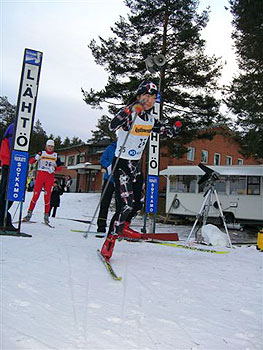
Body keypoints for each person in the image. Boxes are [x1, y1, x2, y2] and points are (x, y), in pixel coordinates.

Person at [100, 81, 181, 260]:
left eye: (152, 97)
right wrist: (130, 109)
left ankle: (124, 227)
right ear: (138, 96)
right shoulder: (131, 114)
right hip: (121, 164)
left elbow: (163, 130)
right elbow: (112, 125)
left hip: (135, 166)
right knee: (125, 204)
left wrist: (174, 130)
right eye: (146, 96)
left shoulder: (150, 120)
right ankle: (110, 241)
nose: (149, 100)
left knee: (138, 203)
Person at [23, 139, 62, 224]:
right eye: (49, 146)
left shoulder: (56, 156)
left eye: (52, 146)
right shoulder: (41, 153)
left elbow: (60, 167)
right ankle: (29, 214)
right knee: (35, 196)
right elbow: (31, 162)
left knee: (47, 197)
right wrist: (35, 158)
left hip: (49, 177)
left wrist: (54, 168)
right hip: (40, 176)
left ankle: (46, 216)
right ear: (46, 146)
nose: (50, 148)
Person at [97, 141, 117, 233]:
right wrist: (109, 165)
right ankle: (101, 227)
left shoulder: (127, 147)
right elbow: (103, 159)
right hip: (109, 179)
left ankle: (116, 227)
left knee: (120, 205)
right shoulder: (111, 147)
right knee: (104, 203)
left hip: (120, 180)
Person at [0, 123, 17, 231]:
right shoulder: (14, 127)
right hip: (9, 163)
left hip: (12, 163)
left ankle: (4, 217)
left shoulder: (20, 125)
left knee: (12, 192)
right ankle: (2, 218)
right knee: (6, 192)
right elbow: (9, 144)